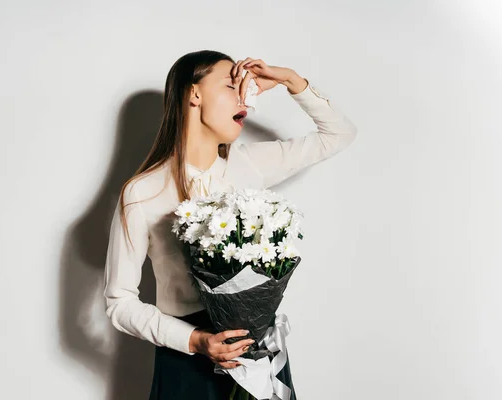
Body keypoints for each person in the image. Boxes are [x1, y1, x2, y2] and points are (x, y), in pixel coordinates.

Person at [103, 50, 358, 399]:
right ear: (194, 94)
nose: (245, 100)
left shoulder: (250, 164)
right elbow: (119, 302)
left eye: (245, 89)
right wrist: (194, 340)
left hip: (257, 352)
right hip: (185, 362)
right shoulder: (142, 193)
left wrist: (289, 80)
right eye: (230, 85)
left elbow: (339, 134)